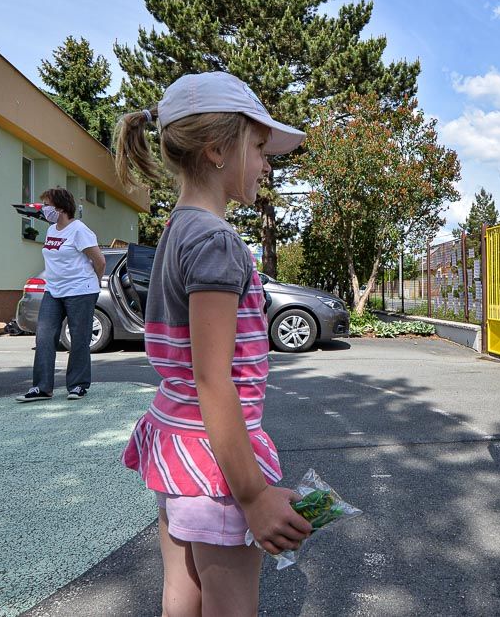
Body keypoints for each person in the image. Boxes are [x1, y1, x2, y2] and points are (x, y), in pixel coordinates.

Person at [114, 72, 312, 616]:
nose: (266, 164)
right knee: (231, 604)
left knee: (183, 591)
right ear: (218, 150)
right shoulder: (218, 242)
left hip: (175, 440)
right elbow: (213, 377)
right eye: (258, 146)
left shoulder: (178, 229)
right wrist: (253, 495)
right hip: (215, 459)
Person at [17, 187, 106, 402]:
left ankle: (77, 385)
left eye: (47, 205)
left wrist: (92, 282)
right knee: (45, 336)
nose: (44, 209)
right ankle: (42, 387)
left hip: (80, 291)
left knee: (79, 338)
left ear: (61, 207)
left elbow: (100, 261)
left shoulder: (79, 230)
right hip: (54, 290)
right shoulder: (51, 230)